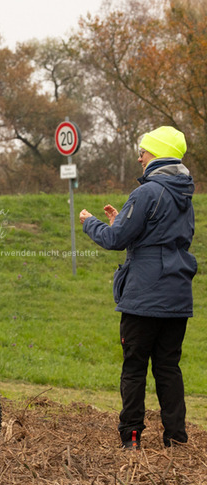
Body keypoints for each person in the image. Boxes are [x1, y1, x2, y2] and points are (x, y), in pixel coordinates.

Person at [79, 126, 197, 449]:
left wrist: (90, 222)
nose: (139, 158)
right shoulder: (185, 195)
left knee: (134, 367)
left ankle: (131, 437)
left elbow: (115, 240)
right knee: (168, 367)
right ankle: (176, 438)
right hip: (177, 297)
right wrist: (123, 221)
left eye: (143, 152)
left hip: (143, 298)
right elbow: (162, 237)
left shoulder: (147, 192)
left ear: (156, 154)